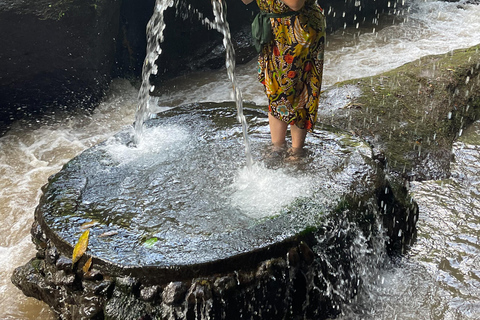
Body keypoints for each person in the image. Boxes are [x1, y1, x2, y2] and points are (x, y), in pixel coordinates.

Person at [242, 0, 326, 158]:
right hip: (274, 29)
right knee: (275, 89)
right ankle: (278, 146)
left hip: (298, 29)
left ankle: (296, 151)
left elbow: (295, 3)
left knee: (299, 91)